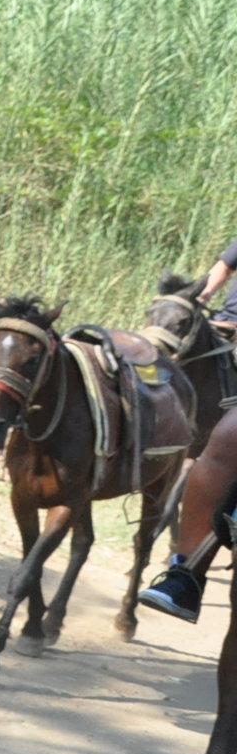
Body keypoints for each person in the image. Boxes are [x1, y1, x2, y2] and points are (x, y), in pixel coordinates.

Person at [139, 237, 237, 622]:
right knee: (228, 436)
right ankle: (186, 574)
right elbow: (222, 269)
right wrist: (199, 299)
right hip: (227, 328)